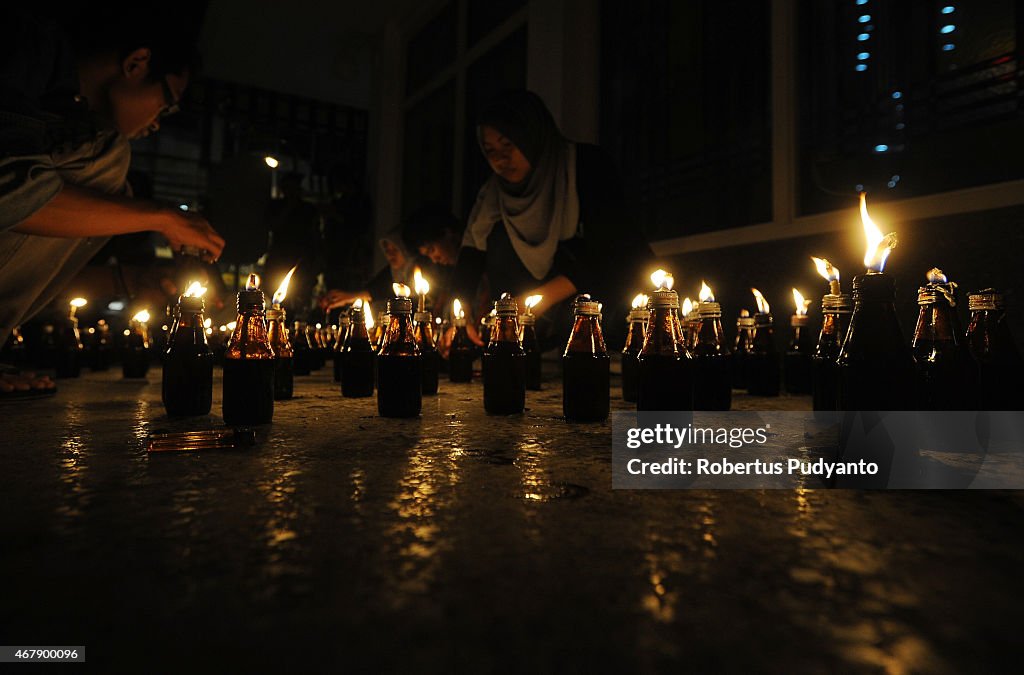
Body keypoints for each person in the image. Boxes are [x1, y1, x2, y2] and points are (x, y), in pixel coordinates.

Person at [0, 9, 224, 392]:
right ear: (137, 63)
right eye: (166, 102)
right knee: (107, 158)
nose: (156, 123)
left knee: (111, 195)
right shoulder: (25, 47)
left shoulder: (58, 99)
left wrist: (135, 280)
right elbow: (11, 192)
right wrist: (163, 217)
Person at [451, 90, 653, 349]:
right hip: (544, 328)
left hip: (609, 308)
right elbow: (471, 254)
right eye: (490, 150)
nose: (500, 159)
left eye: (508, 145)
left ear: (532, 135)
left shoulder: (585, 166)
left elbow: (610, 250)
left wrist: (536, 300)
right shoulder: (492, 196)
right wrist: (459, 314)